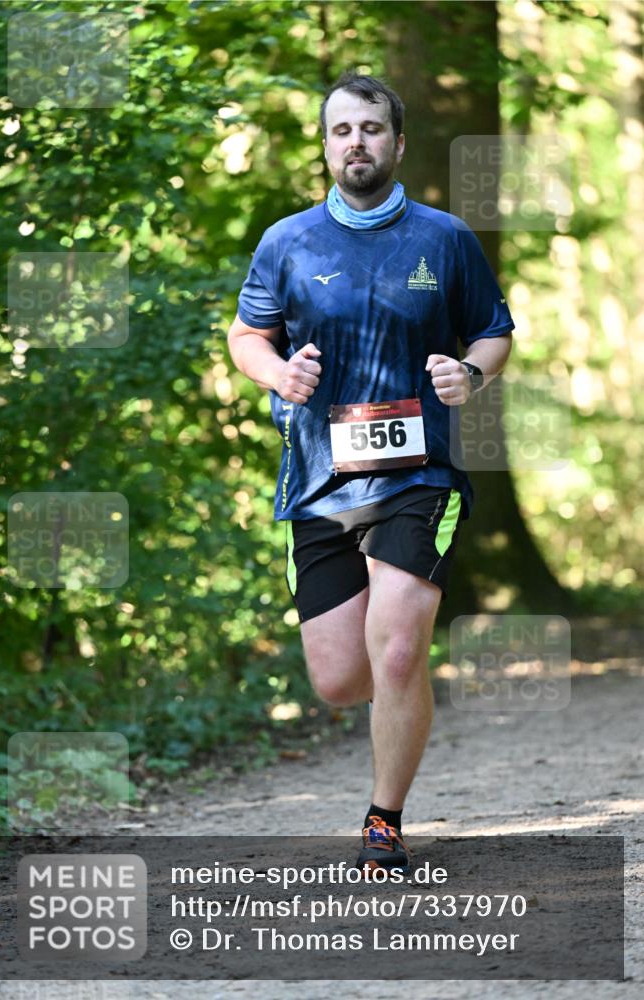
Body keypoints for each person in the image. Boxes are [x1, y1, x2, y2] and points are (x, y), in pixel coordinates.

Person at [227, 72, 514, 874]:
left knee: (393, 655)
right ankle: (401, 667)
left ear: (397, 142)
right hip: (320, 479)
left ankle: (382, 819)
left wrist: (472, 376)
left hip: (420, 474)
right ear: (324, 144)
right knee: (340, 680)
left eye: (371, 129)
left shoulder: (444, 238)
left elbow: (492, 331)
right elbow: (246, 336)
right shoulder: (288, 241)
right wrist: (276, 374)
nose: (356, 143)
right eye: (340, 130)